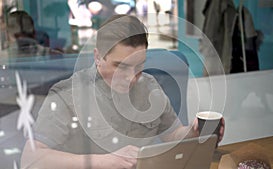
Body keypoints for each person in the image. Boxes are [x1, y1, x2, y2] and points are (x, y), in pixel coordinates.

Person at [21, 15, 225, 169]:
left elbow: (172, 134)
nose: (130, 78)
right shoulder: (67, 95)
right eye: (120, 66)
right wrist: (103, 161)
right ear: (98, 57)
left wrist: (195, 131)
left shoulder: (149, 85)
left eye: (138, 66)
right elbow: (30, 158)